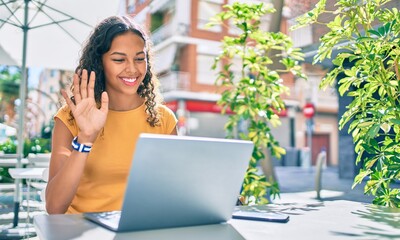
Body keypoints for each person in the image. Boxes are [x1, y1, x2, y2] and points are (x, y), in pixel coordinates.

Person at [45, 16, 178, 214]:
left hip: (139, 229)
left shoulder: (163, 118)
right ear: (100, 63)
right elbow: (55, 207)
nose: (132, 69)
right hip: (81, 231)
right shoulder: (71, 117)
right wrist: (86, 138)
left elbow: (174, 189)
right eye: (119, 59)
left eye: (140, 59)